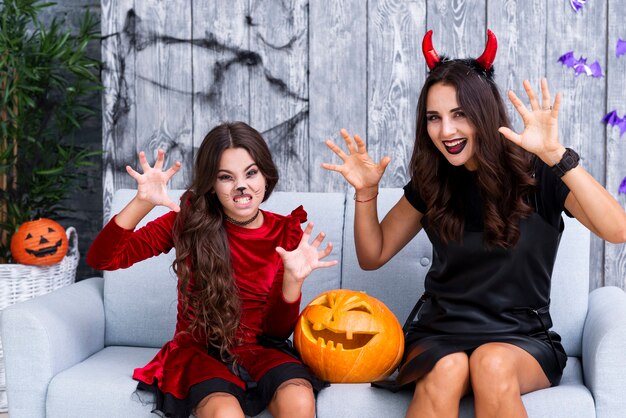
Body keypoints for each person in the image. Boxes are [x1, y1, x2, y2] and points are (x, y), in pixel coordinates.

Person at [322, 29, 626, 418]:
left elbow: (616, 231)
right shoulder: (432, 182)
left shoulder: (540, 172)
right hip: (440, 334)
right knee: (447, 369)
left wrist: (557, 155)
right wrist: (366, 194)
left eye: (459, 115)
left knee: (490, 364)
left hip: (520, 338)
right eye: (434, 118)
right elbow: (373, 254)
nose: (445, 131)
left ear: (483, 113)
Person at [87, 121, 337, 418]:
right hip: (199, 353)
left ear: (266, 175)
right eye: (226, 177)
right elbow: (103, 259)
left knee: (299, 400)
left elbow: (275, 333)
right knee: (225, 414)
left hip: (258, 350)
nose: (241, 186)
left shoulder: (285, 233)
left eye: (251, 173)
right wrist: (142, 203)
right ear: (212, 185)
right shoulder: (188, 222)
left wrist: (293, 282)